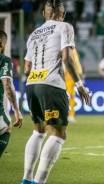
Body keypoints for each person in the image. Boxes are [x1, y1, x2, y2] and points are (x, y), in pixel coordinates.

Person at [21, 1, 90, 184]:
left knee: (38, 131)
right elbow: (67, 58)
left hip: (32, 84)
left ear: (44, 13)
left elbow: (27, 67)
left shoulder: (33, 34)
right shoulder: (65, 26)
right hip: (51, 85)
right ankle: (39, 182)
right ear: (64, 13)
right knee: (58, 133)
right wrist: (79, 85)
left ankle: (26, 180)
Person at [0, 30, 23, 158]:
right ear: (2, 43)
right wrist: (16, 110)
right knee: (7, 126)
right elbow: (7, 85)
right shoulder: (4, 60)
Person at [65, 48, 84, 122]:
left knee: (70, 96)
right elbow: (76, 62)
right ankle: (69, 115)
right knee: (70, 96)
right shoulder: (71, 49)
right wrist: (80, 73)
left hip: (69, 77)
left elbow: (76, 62)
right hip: (68, 76)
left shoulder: (71, 50)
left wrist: (80, 73)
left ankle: (70, 115)